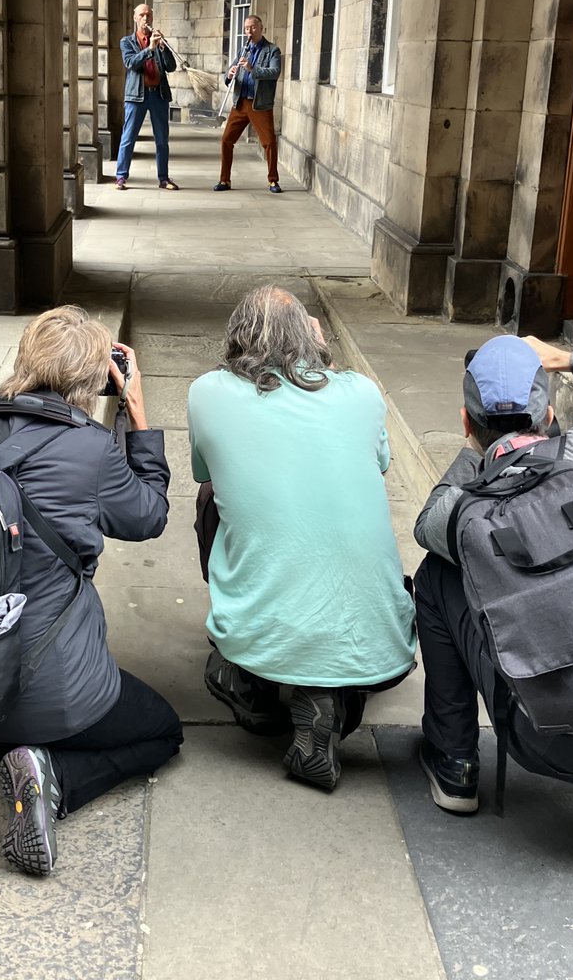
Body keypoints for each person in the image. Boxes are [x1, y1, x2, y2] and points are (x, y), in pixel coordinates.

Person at [0, 306, 183, 876]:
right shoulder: (91, 450)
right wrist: (136, 411)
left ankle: (8, 743)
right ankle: (53, 781)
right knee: (162, 731)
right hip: (53, 688)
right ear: (95, 376)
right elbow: (148, 516)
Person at [413, 334, 573, 868]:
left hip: (550, 745)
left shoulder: (466, 513)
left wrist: (479, 459)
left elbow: (426, 525)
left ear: (467, 425)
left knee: (436, 577)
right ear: (554, 413)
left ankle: (455, 763)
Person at [187, 285, 416, 791]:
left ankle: (255, 684)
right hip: (383, 651)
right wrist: (322, 359)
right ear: (313, 336)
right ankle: (329, 695)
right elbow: (379, 465)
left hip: (262, 636)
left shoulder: (207, 392)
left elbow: (205, 469)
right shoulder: (361, 392)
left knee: (210, 497)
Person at [216, 14, 282, 194]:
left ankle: (273, 181)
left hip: (259, 104)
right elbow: (229, 75)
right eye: (246, 28)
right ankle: (224, 180)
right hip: (240, 103)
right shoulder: (242, 50)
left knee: (269, 143)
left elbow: (275, 72)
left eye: (253, 27)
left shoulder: (272, 51)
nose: (249, 31)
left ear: (261, 29)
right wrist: (229, 75)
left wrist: (251, 69)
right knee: (226, 140)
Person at [115, 3, 179, 191]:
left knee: (162, 140)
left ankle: (164, 178)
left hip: (158, 95)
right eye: (142, 15)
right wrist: (149, 49)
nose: (146, 18)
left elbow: (171, 67)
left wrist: (163, 48)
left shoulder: (158, 41)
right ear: (135, 18)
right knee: (128, 137)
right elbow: (130, 63)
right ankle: (121, 177)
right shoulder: (127, 41)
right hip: (136, 96)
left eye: (148, 15)